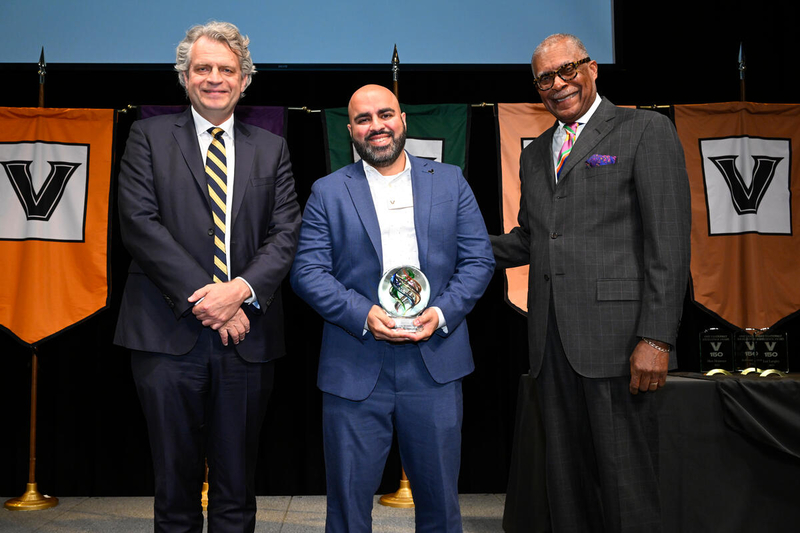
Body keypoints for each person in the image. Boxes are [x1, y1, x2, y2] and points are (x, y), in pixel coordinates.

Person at [491, 34, 691, 532]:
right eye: (544, 78)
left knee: (628, 487)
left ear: (593, 68)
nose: (558, 85)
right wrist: (448, 245)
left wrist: (656, 337)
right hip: (551, 346)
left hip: (621, 343)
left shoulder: (644, 129)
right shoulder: (536, 153)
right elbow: (532, 240)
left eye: (567, 70)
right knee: (566, 484)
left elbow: (669, 242)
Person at [114, 21, 301, 533]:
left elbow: (286, 233)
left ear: (245, 80)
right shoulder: (147, 136)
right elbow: (138, 224)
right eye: (203, 69)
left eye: (226, 69)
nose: (214, 78)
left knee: (237, 487)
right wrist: (207, 299)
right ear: (184, 77)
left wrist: (239, 292)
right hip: (164, 334)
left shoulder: (272, 147)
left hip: (248, 336)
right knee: (173, 486)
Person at [290, 84, 494, 533]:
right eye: (363, 119)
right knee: (346, 509)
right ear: (351, 131)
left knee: (441, 505)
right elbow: (307, 272)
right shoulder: (327, 191)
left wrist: (440, 314)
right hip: (355, 365)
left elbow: (478, 260)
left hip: (435, 365)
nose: (376, 126)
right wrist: (364, 314)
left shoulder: (451, 180)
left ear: (402, 120)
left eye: (385, 115)